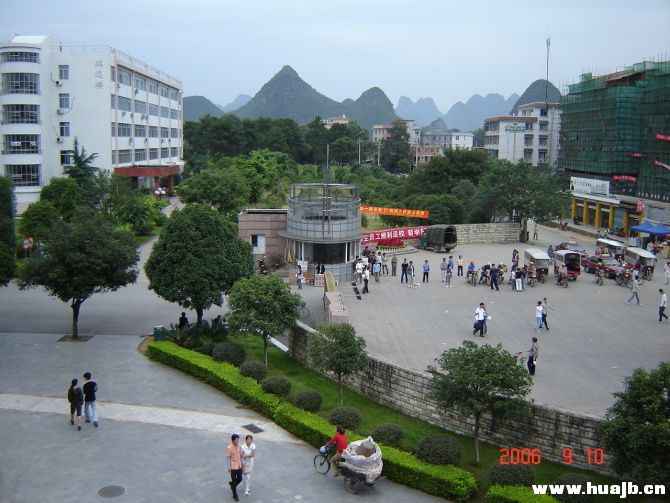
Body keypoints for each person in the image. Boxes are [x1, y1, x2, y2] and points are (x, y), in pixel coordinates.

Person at [226, 434, 243, 501]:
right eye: (236, 440)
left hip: (239, 466)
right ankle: (235, 495)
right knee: (234, 480)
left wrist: (242, 464)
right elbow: (228, 458)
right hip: (233, 467)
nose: (238, 441)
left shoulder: (239, 446)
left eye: (238, 440)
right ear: (233, 440)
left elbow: (241, 455)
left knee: (240, 479)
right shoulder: (229, 448)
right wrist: (228, 467)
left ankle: (232, 485)